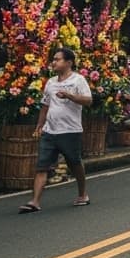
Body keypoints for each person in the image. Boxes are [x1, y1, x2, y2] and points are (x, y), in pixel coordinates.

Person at [20, 47, 93, 213]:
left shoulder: (78, 80)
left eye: (57, 59)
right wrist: (40, 124)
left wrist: (70, 96)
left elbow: (88, 100)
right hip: (50, 131)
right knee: (42, 166)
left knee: (74, 163)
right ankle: (35, 201)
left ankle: (83, 194)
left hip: (70, 130)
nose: (54, 62)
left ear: (69, 62)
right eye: (53, 59)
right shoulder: (51, 82)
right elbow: (45, 105)